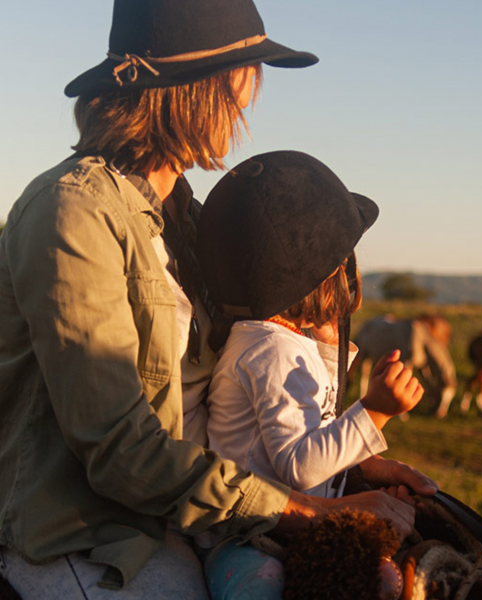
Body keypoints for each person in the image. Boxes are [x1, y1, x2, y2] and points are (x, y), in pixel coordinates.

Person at [0, 1, 436, 598]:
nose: (248, 100)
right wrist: (304, 510)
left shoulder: (183, 214)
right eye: (242, 76)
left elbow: (222, 408)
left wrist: (347, 468)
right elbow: (121, 450)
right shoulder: (72, 216)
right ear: (196, 87)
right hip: (88, 533)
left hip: (182, 516)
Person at [194, 150, 426, 600]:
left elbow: (313, 413)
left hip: (284, 522)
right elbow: (300, 467)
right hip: (249, 540)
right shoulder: (270, 351)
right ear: (326, 276)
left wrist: (326, 341)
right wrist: (375, 412)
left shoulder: (274, 342)